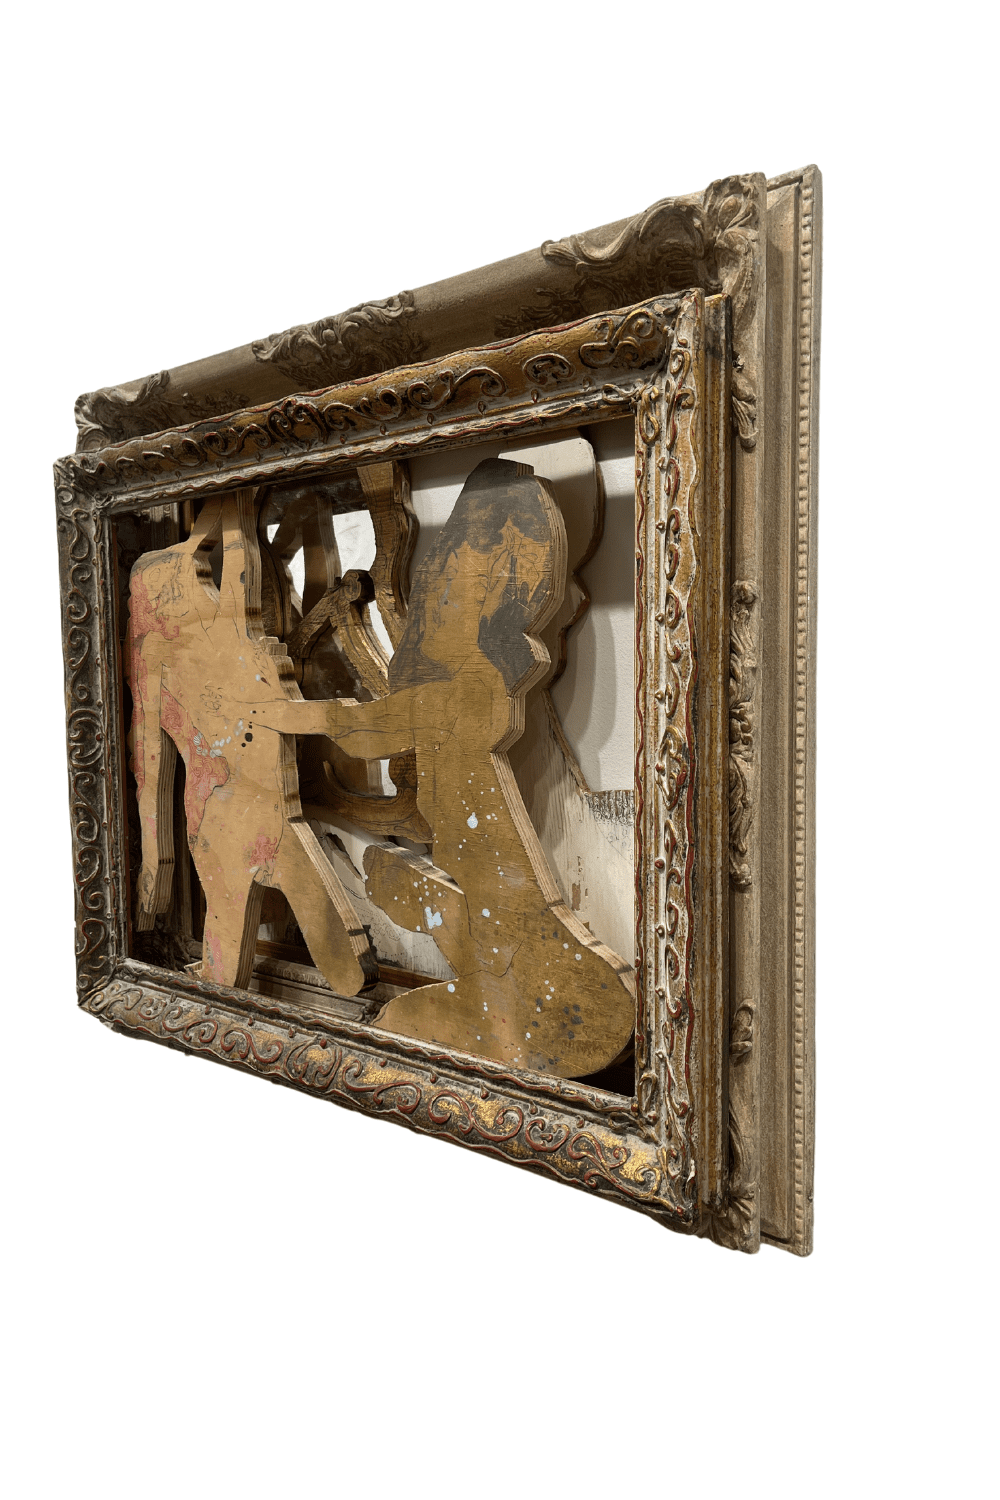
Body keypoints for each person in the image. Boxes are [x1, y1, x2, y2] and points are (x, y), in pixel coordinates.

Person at [252, 458, 634, 1078]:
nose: (434, 591)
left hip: (502, 907)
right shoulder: (464, 685)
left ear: (494, 600)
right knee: (418, 903)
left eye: (451, 581)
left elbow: (364, 732)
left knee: (426, 979)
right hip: (484, 894)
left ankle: (514, 1008)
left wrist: (276, 714)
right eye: (438, 575)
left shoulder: (466, 690)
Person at [126, 488, 374, 995]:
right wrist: (156, 864)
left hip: (268, 813)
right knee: (231, 928)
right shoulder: (169, 659)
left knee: (348, 969)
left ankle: (223, 987)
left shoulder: (230, 639)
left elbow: (242, 562)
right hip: (220, 817)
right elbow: (149, 762)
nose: (197, 582)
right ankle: (219, 987)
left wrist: (238, 504)